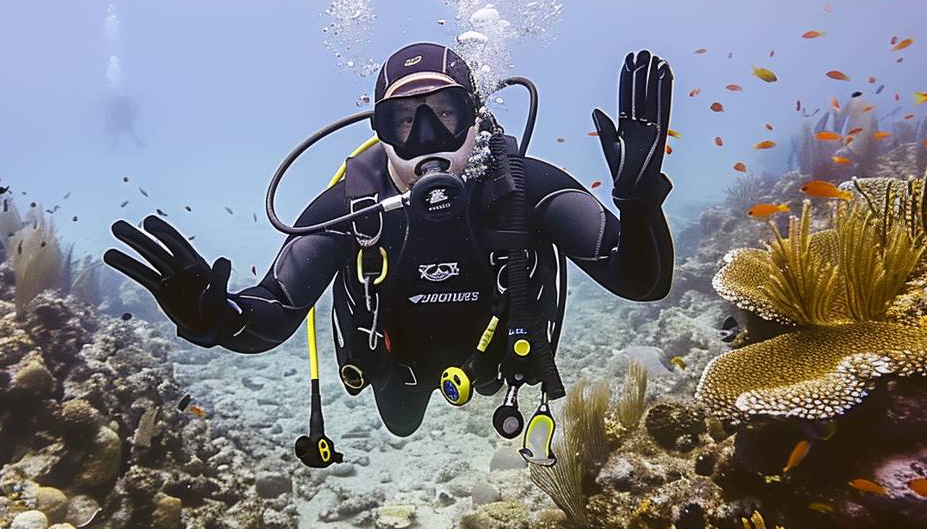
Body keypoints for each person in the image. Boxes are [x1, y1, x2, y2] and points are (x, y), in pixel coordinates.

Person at [104, 42, 674, 467]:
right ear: (380, 131)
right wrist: (218, 317)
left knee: (462, 398)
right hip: (394, 366)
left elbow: (642, 281)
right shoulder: (352, 206)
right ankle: (406, 395)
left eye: (446, 113)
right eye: (404, 120)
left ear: (475, 119)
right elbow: (273, 312)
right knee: (400, 423)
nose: (428, 137)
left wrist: (640, 201)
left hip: (502, 363)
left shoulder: (525, 189)